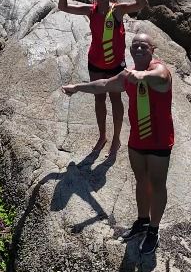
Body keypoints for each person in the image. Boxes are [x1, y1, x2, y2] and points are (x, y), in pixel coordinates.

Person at [62, 33, 173, 254]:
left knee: (157, 183)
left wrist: (141, 76)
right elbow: (103, 84)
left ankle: (154, 230)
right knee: (141, 180)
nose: (139, 49)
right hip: (138, 139)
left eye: (144, 46)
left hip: (159, 140)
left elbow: (159, 77)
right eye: (135, 46)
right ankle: (142, 221)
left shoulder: (160, 71)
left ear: (152, 49)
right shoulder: (127, 75)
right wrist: (77, 87)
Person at [56, 0, 148, 157]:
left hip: (115, 65)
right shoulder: (91, 10)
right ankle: (102, 136)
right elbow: (63, 7)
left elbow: (142, 3)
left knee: (115, 100)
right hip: (95, 62)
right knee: (99, 99)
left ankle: (116, 139)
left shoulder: (118, 10)